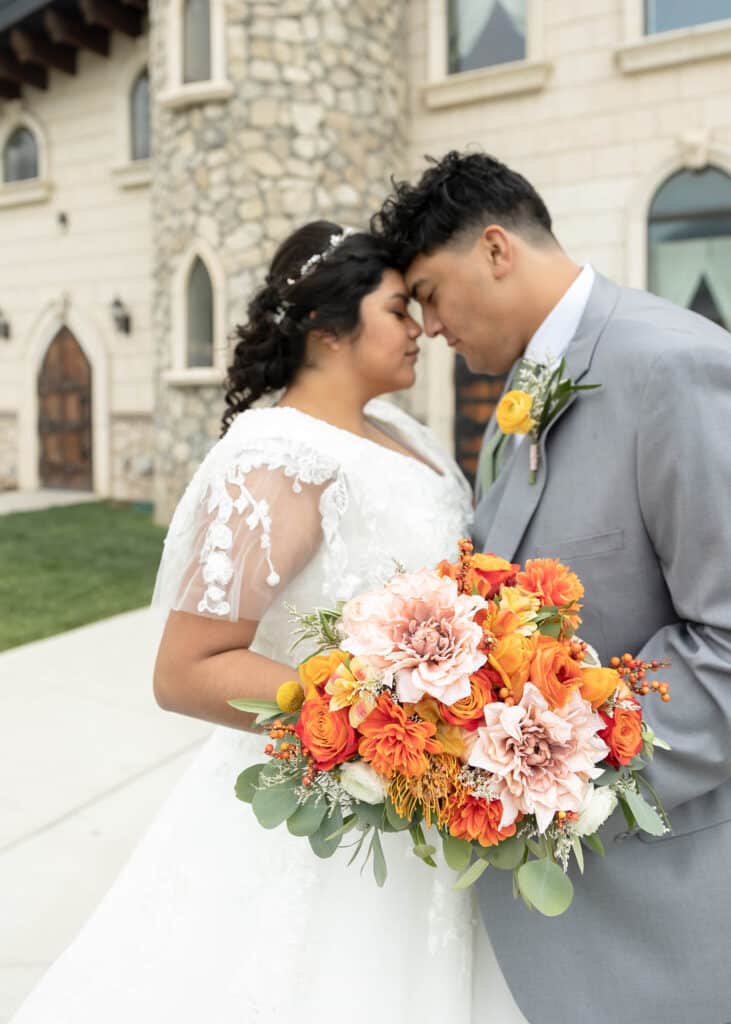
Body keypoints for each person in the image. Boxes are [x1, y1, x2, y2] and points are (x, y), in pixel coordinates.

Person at [9, 221, 525, 1024]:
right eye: (397, 309)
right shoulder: (279, 455)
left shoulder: (412, 438)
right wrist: (381, 723)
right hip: (334, 803)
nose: (422, 328)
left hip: (428, 800)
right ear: (327, 328)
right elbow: (187, 668)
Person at [373, 150, 731, 1024]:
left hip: (663, 900)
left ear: (495, 249)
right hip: (555, 916)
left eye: (428, 291)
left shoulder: (672, 365)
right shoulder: (520, 393)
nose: (427, 326)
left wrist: (539, 767)